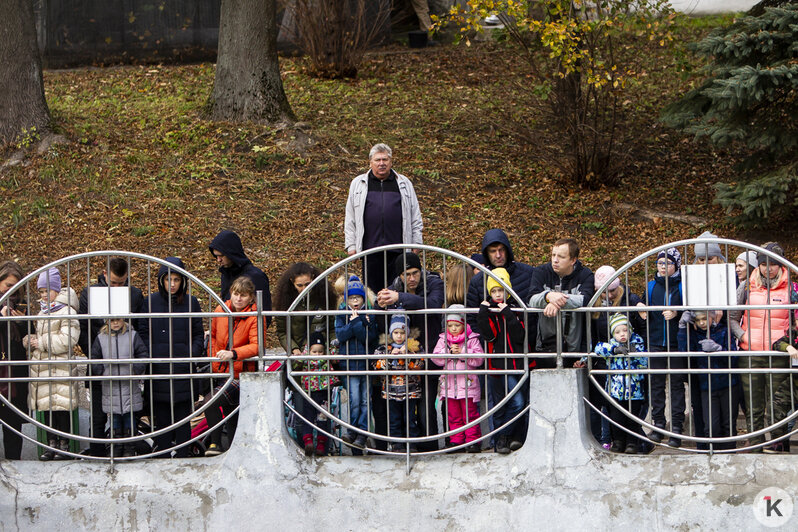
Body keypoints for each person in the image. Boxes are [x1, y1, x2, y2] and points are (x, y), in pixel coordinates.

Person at [731, 242, 797, 453]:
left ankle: (778, 443)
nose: (768, 268)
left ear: (781, 265)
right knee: (753, 403)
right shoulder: (747, 286)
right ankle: (756, 443)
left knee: (776, 403)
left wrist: (788, 342)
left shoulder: (791, 289)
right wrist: (743, 336)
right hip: (750, 353)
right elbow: (733, 317)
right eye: (764, 263)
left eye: (774, 264)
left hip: (778, 354)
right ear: (758, 265)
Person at [77, 257, 146, 457]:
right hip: (101, 365)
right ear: (105, 274)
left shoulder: (134, 295)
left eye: (121, 282)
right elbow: (84, 329)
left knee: (128, 413)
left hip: (126, 367)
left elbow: (140, 329)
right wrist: (98, 358)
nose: (117, 287)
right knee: (98, 416)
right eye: (113, 282)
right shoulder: (89, 294)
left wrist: (135, 362)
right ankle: (98, 453)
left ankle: (128, 449)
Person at [376, 251, 444, 451]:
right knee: (400, 409)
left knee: (425, 409)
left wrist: (400, 298)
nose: (412, 278)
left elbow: (433, 304)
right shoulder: (393, 289)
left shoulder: (433, 282)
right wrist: (379, 305)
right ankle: (403, 446)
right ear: (400, 276)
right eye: (407, 274)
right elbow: (381, 320)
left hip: (428, 356)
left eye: (416, 273)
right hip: (402, 363)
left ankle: (429, 449)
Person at [139, 257, 204, 458]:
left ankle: (184, 454)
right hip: (158, 368)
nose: (173, 284)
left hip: (183, 368)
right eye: (169, 280)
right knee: (162, 417)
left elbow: (198, 333)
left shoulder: (191, 302)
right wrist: (152, 355)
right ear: (162, 280)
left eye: (177, 279)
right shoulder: (150, 302)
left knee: (184, 416)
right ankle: (162, 454)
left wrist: (191, 353)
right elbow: (142, 331)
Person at [579, 265, 647, 450]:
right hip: (605, 362)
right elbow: (591, 336)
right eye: (604, 292)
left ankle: (635, 441)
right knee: (610, 407)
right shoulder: (594, 304)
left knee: (632, 409)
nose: (608, 296)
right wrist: (587, 356)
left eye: (612, 291)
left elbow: (641, 330)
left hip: (630, 367)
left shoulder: (629, 300)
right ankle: (612, 441)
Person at [344, 143, 423, 294]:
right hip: (370, 251)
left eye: (385, 160)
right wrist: (351, 246)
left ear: (391, 161)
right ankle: (375, 317)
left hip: (399, 251)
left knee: (398, 291)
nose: (382, 163)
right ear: (370, 162)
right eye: (378, 160)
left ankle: (397, 317)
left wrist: (417, 242)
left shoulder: (404, 183)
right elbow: (350, 218)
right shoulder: (358, 184)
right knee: (372, 292)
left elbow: (415, 215)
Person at [23, 267, 81, 461]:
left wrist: (41, 343)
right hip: (45, 368)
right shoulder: (41, 313)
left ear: (57, 290)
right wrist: (30, 341)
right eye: (40, 291)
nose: (43, 295)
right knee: (47, 409)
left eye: (47, 290)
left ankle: (65, 444)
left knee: (61, 410)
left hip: (61, 368)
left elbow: (68, 339)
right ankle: (51, 444)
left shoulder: (66, 311)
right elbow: (42, 338)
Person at [204, 276, 263, 457]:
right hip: (221, 369)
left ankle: (215, 443)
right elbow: (212, 336)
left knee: (210, 402)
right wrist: (214, 358)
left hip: (241, 374)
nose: (238, 299)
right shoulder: (220, 309)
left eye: (243, 295)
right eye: (236, 294)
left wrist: (234, 353)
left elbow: (257, 345)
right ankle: (229, 449)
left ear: (251, 298)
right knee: (230, 411)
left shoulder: (254, 316)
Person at [477, 268, 528, 454]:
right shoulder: (489, 310)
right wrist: (483, 313)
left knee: (519, 403)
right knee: (501, 406)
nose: (498, 295)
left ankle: (508, 438)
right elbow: (489, 336)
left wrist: (507, 313)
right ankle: (501, 440)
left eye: (501, 290)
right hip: (498, 366)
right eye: (494, 291)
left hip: (516, 365)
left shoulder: (516, 307)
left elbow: (519, 335)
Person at [528, 238, 594, 367]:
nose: (555, 260)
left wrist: (555, 300)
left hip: (574, 349)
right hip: (544, 347)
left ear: (573, 260)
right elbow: (531, 299)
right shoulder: (541, 272)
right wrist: (548, 296)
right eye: (553, 255)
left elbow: (585, 300)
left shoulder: (585, 274)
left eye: (561, 257)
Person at [677, 311, 738, 451]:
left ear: (712, 317)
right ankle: (713, 456)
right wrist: (682, 328)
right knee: (711, 427)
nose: (702, 323)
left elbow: (734, 357)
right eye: (698, 320)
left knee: (728, 425)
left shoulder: (723, 331)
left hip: (728, 384)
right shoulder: (695, 334)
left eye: (705, 319)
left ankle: (730, 456)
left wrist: (719, 349)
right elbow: (684, 352)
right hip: (707, 386)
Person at [90, 318, 148, 457]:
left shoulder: (132, 335)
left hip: (129, 383)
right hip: (110, 384)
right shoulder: (101, 338)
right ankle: (116, 445)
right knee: (114, 416)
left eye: (118, 320)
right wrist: (102, 372)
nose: (115, 323)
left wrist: (135, 370)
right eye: (112, 320)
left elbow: (143, 354)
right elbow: (94, 358)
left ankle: (129, 446)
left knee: (129, 416)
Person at [645, 247, 685, 447]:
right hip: (655, 341)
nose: (662, 267)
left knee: (677, 386)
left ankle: (677, 427)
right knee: (656, 385)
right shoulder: (652, 286)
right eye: (660, 263)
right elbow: (642, 304)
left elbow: (690, 307)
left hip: (676, 343)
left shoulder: (682, 286)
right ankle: (658, 424)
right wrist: (640, 308)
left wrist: (676, 312)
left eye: (667, 263)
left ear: (675, 265)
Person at [431, 304, 484, 453]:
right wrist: (448, 352)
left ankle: (473, 441)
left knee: (470, 414)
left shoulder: (471, 339)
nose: (453, 328)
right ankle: (456, 440)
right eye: (450, 325)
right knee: (453, 415)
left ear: (463, 324)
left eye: (457, 325)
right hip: (449, 386)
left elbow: (480, 359)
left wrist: (462, 352)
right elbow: (436, 358)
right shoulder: (443, 340)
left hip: (468, 386)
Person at [592, 314, 648, 454]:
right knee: (616, 418)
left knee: (632, 419)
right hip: (615, 390)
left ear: (630, 330)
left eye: (625, 330)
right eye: (617, 332)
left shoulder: (638, 342)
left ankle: (632, 443)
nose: (622, 334)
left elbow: (645, 362)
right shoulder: (611, 344)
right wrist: (614, 350)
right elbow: (598, 348)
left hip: (634, 391)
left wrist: (635, 353)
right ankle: (617, 442)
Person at [335, 275, 378, 450]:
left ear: (363, 298)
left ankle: (363, 432)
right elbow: (341, 335)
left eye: (358, 298)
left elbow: (368, 338)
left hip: (365, 364)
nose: (355, 301)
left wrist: (356, 322)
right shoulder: (341, 314)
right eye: (352, 298)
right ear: (346, 299)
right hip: (350, 365)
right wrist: (356, 323)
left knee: (365, 400)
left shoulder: (369, 314)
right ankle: (352, 429)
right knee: (353, 399)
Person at [466, 229, 535, 336]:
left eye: (501, 250)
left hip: (525, 345)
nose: (498, 255)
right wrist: (487, 340)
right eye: (493, 251)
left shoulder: (528, 273)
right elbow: (472, 317)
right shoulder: (477, 281)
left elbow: (534, 314)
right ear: (486, 253)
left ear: (507, 250)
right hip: (493, 347)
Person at [374, 315, 424, 452]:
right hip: (391, 391)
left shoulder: (415, 347)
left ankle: (411, 443)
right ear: (391, 333)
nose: (399, 336)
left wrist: (407, 355)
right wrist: (390, 356)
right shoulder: (384, 348)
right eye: (396, 333)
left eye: (402, 333)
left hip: (410, 390)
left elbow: (420, 364)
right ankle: (397, 444)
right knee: (394, 419)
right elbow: (377, 365)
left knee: (410, 418)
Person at [209, 230, 272, 325]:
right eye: (216, 256)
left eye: (221, 256)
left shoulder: (255, 276)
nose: (218, 260)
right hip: (227, 331)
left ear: (231, 253)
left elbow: (264, 314)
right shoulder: (226, 274)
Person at [292, 331, 339, 458]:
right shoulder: (326, 359)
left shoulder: (305, 358)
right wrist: (332, 346)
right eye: (315, 352)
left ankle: (309, 442)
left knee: (309, 418)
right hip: (322, 392)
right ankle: (319, 445)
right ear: (309, 350)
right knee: (321, 419)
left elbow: (294, 363)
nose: (318, 355)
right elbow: (335, 353)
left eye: (320, 352)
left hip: (311, 393)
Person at [0, 261, 28, 460]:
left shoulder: (22, 305)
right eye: (8, 285)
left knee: (13, 426)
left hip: (15, 375)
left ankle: (14, 464)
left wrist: (22, 323)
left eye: (16, 286)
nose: (12, 291)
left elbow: (31, 338)